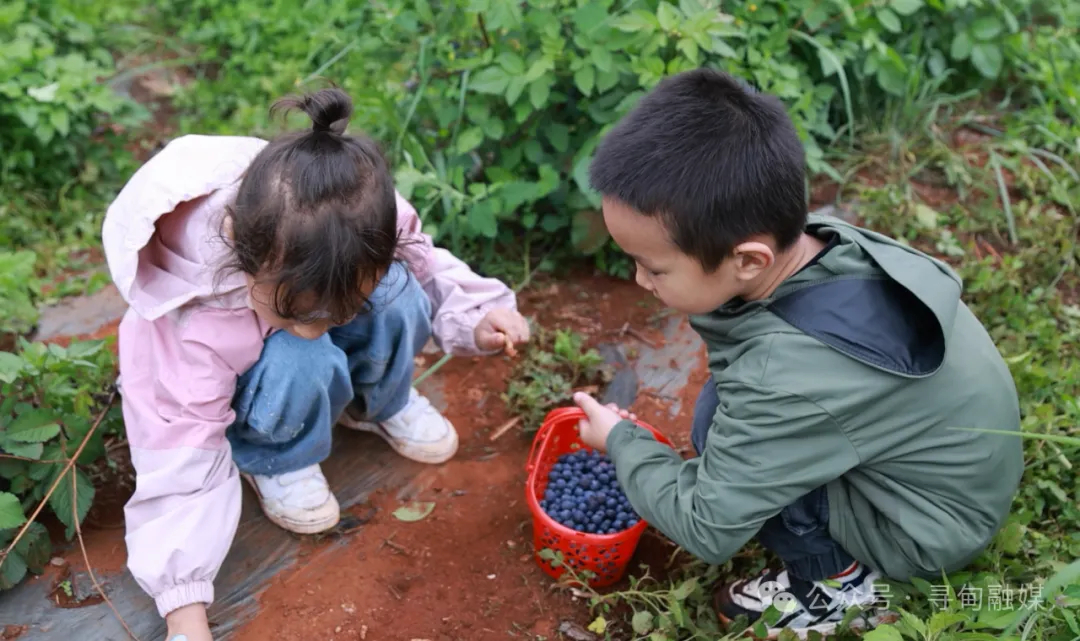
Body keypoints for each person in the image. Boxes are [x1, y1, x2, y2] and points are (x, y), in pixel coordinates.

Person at [570, 68, 1023, 638]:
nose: (639, 278)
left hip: (927, 531)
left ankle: (839, 587)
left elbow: (707, 527)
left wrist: (621, 441)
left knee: (721, 429)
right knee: (729, 417)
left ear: (749, 260)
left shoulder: (784, 378)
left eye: (654, 267)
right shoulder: (825, 240)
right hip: (956, 471)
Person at [102, 88, 530, 641]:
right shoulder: (193, 317)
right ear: (242, 252)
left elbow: (425, 266)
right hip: (252, 382)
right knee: (300, 352)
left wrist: (479, 314)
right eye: (297, 311)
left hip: (319, 284)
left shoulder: (358, 218)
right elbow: (178, 442)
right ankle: (277, 455)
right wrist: (183, 605)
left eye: (336, 313)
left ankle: (380, 401)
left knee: (398, 289)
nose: (318, 327)